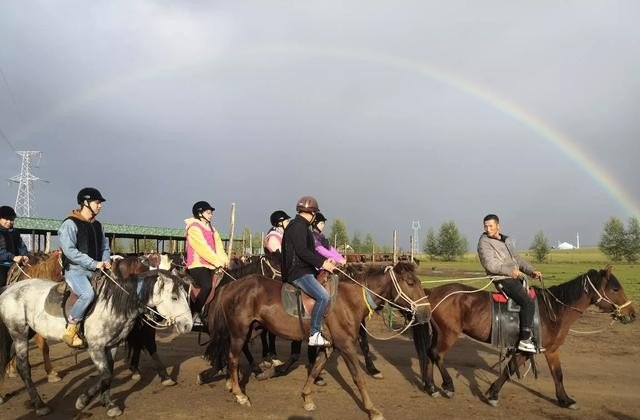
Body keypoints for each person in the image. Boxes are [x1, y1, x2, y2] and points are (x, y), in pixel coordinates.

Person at [477, 214, 543, 353]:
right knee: (527, 302)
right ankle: (525, 340)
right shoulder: (484, 243)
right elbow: (490, 264)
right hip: (502, 279)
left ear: (498, 226)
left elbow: (517, 259)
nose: (488, 229)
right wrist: (509, 271)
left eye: (491, 226)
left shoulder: (506, 240)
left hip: (514, 276)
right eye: (485, 226)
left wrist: (531, 271)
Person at [58, 188, 111, 348]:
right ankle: (71, 328)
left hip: (96, 270)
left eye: (100, 203)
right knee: (87, 294)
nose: (100, 206)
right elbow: (70, 251)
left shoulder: (98, 225)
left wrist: (106, 261)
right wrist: (94, 263)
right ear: (85, 203)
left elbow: (105, 247)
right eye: (97, 202)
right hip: (75, 271)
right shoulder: (69, 224)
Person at [282, 196, 336, 347]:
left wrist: (325, 262)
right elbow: (302, 252)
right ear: (312, 213)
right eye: (314, 214)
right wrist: (323, 262)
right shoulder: (298, 227)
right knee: (324, 296)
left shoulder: (299, 226)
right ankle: (314, 333)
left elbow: (309, 252)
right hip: (298, 273)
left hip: (303, 270)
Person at [185, 200, 229, 321]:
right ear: (200, 214)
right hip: (197, 264)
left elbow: (219, 247)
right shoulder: (193, 228)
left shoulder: (213, 229)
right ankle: (195, 313)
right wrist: (218, 262)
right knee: (207, 285)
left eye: (211, 213)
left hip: (212, 265)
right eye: (208, 212)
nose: (211, 214)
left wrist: (224, 260)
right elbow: (203, 249)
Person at [0, 205, 29, 288]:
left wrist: (24, 255)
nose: (9, 222)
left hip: (14, 264)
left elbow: (21, 246)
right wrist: (13, 257)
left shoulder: (15, 232)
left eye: (11, 220)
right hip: (2, 265)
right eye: (6, 219)